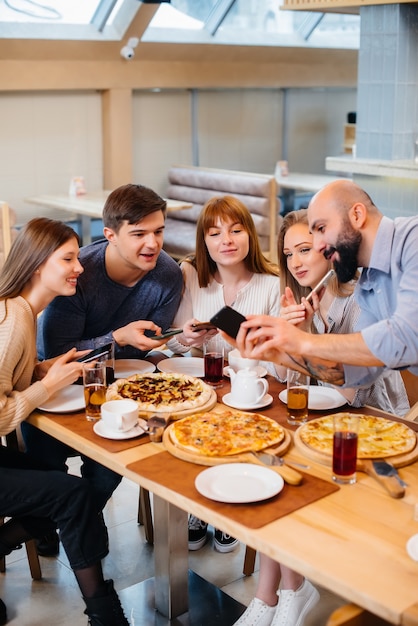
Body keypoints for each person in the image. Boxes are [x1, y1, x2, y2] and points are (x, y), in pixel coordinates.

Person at [233, 208, 409, 626]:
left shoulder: (358, 300)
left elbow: (353, 392)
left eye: (306, 249)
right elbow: (277, 375)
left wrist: (307, 342)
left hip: (372, 424)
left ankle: (283, 594)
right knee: (274, 458)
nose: (296, 262)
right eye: (288, 252)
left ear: (329, 249)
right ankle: (277, 593)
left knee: (287, 472)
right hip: (319, 421)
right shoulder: (298, 300)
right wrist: (289, 335)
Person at [22, 183, 183, 555]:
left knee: (114, 458)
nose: (153, 244)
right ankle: (52, 519)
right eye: (139, 233)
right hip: (59, 384)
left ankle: (82, 514)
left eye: (158, 231)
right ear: (110, 234)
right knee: (44, 452)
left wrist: (163, 346)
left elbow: (148, 349)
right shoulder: (81, 274)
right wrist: (117, 336)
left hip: (122, 386)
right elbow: (60, 354)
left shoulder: (168, 274)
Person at [0, 217, 128, 625]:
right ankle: (105, 617)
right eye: (68, 258)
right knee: (73, 495)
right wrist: (48, 385)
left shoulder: (19, 310)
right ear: (38, 264)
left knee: (70, 494)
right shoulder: (14, 320)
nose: (80, 267)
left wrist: (40, 369)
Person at [165, 195, 280, 553]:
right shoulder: (190, 275)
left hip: (250, 390)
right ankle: (196, 508)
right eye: (215, 234)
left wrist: (242, 349)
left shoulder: (273, 284)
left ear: (250, 235)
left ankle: (225, 507)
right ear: (204, 242)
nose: (226, 241)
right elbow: (172, 345)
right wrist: (186, 337)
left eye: (235, 230)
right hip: (200, 390)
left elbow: (277, 363)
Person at [233, 179, 418, 390]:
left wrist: (302, 341)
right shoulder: (369, 286)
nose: (319, 245)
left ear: (357, 215)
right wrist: (279, 353)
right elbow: (355, 371)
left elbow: (409, 336)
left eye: (322, 228)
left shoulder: (413, 237)